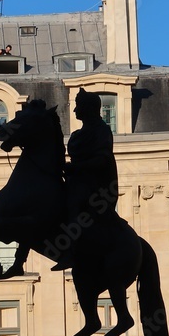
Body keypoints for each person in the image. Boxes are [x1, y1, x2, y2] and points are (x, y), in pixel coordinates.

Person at [50, 89, 118, 271]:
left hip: (97, 187)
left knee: (74, 203)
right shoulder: (77, 134)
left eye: (78, 106)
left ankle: (69, 252)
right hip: (77, 181)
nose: (74, 111)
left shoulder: (102, 131)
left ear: (88, 108)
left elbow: (102, 160)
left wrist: (76, 168)